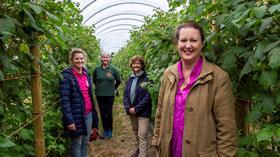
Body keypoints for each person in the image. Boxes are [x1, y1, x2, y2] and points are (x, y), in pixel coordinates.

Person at [152, 21, 238, 157]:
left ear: (202, 44)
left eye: (193, 40)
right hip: (169, 152)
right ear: (177, 44)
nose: (188, 45)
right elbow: (160, 112)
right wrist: (157, 143)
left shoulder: (218, 78)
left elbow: (226, 128)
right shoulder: (169, 74)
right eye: (183, 40)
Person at [59, 48, 98, 157]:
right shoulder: (66, 76)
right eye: (76, 59)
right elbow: (65, 101)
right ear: (72, 60)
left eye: (81, 58)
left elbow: (89, 95)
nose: (79, 61)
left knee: (85, 141)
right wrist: (70, 121)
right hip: (76, 115)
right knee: (77, 143)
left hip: (88, 113)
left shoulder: (86, 74)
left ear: (84, 59)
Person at [123, 55, 152, 157]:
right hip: (131, 111)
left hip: (143, 112)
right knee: (136, 133)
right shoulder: (130, 78)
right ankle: (139, 150)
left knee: (142, 135)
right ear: (131, 65)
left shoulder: (147, 78)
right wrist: (128, 107)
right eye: (134, 63)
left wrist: (136, 108)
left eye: (138, 63)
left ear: (142, 65)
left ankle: (142, 154)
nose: (135, 65)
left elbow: (148, 97)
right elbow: (126, 94)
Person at [92, 52, 121, 139]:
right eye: (103, 57)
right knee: (103, 112)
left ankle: (110, 130)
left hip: (110, 95)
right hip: (100, 94)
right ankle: (105, 130)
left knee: (109, 112)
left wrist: (113, 88)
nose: (105, 59)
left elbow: (118, 80)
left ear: (109, 58)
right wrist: (100, 87)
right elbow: (94, 80)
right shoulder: (97, 69)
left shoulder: (113, 69)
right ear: (100, 58)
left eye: (107, 57)